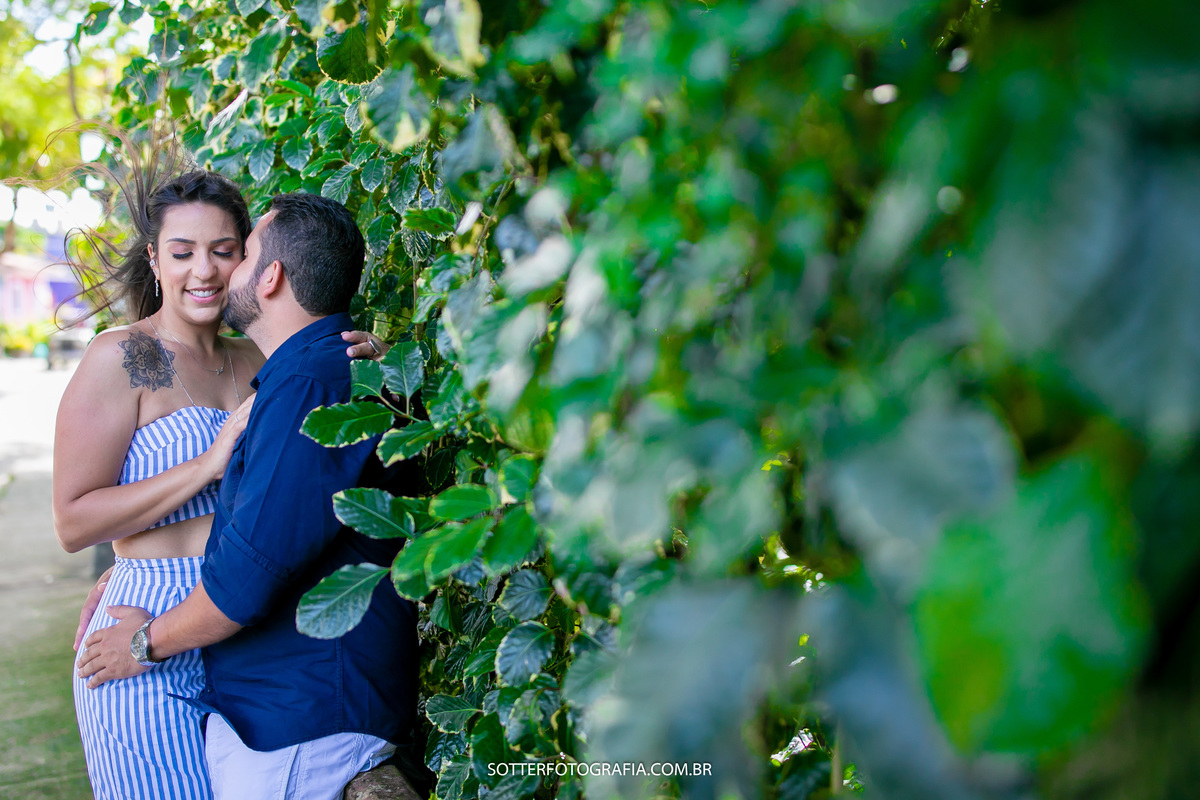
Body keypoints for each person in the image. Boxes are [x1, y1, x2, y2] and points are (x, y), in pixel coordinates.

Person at [55, 156, 388, 800]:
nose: (203, 270)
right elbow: (72, 522)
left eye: (223, 251)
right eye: (182, 253)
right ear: (155, 260)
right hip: (143, 625)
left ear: (253, 264)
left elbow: (293, 493)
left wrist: (369, 364)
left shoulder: (261, 354)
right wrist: (204, 465)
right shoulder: (124, 356)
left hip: (245, 632)